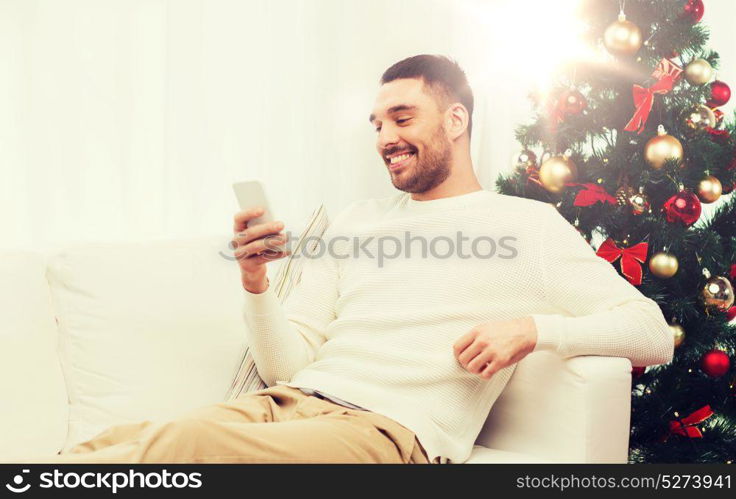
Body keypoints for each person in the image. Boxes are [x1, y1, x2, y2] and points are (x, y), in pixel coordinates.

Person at [45, 54, 674, 465]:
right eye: (375, 123)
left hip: (388, 434)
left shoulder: (523, 224)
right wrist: (256, 283)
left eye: (402, 118)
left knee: (181, 445)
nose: (384, 138)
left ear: (456, 120)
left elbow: (651, 332)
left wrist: (534, 330)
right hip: (292, 403)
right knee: (121, 444)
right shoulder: (358, 224)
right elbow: (288, 364)